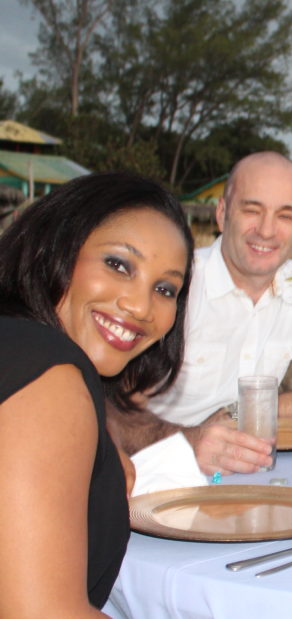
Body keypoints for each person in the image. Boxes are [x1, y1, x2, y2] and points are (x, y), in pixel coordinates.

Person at [0, 173, 193, 613]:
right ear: (57, 246)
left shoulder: (22, 350)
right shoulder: (47, 375)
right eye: (119, 265)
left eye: (165, 289)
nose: (140, 307)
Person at [108, 152, 292, 475]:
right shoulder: (176, 283)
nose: (267, 231)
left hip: (247, 481)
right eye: (252, 210)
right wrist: (189, 440)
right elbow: (111, 408)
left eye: (285, 216)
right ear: (223, 213)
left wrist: (246, 413)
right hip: (155, 479)